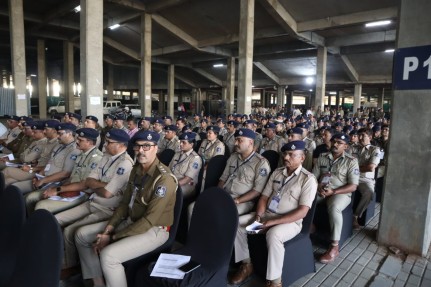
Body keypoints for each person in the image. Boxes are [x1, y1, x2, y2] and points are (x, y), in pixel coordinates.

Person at [75, 130, 177, 287]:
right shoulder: (136, 171)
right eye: (137, 147)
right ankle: (98, 281)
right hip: (130, 220)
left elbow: (149, 220)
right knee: (82, 234)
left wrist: (113, 237)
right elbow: (124, 204)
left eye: (146, 146)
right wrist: (109, 229)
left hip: (154, 230)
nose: (141, 151)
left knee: (109, 256)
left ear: (156, 148)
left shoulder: (164, 179)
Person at [230, 141, 317, 286]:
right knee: (238, 224)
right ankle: (247, 265)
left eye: (291, 155)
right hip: (266, 217)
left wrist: (272, 223)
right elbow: (264, 197)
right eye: (285, 154)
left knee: (274, 234)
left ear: (302, 158)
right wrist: (258, 216)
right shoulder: (277, 172)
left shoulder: (308, 179)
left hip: (290, 223)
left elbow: (302, 212)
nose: (286, 157)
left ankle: (274, 281)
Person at [55, 129, 134, 279]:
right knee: (57, 218)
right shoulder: (106, 157)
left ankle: (77, 268)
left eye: (109, 143)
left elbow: (107, 194)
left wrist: (96, 185)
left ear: (121, 145)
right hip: (92, 201)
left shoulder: (125, 163)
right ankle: (70, 262)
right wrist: (101, 185)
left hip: (107, 208)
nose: (105, 145)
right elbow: (88, 182)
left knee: (72, 231)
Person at [312, 133, 359, 263]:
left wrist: (333, 191)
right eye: (334, 141)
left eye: (339, 142)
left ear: (346, 146)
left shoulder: (351, 161)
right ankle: (309, 226)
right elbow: (313, 177)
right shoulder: (323, 157)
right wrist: (318, 188)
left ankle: (334, 247)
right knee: (305, 198)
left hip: (340, 193)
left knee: (334, 207)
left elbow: (353, 186)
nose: (335, 144)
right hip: (322, 190)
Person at [33, 128, 103, 214]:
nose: (76, 141)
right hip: (69, 188)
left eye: (80, 140)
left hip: (82, 193)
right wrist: (54, 188)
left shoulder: (96, 159)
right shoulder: (82, 154)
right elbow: (72, 177)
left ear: (89, 142)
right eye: (77, 139)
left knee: (41, 206)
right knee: (39, 197)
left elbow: (83, 185)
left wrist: (57, 190)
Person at [23, 123, 81, 213]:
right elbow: (48, 163)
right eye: (57, 133)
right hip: (44, 179)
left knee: (30, 199)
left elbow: (65, 174)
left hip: (56, 182)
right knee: (25, 197)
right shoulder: (58, 145)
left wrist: (43, 180)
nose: (58, 136)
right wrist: (38, 176)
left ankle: (32, 222)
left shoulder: (74, 150)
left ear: (69, 134)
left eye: (60, 134)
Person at [352, 128, 380, 230]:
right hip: (350, 176)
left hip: (364, 179)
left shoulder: (375, 150)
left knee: (369, 192)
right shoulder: (353, 147)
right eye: (358, 135)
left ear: (370, 137)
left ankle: (355, 216)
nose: (360, 138)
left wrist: (353, 168)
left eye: (363, 135)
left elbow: (370, 167)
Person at [168, 132, 202, 199]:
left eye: (184, 142)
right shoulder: (177, 154)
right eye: (180, 142)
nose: (180, 144)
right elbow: (169, 169)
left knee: (168, 193)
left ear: (191, 144)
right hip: (172, 181)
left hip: (186, 185)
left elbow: (187, 179)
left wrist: (172, 185)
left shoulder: (195, 158)